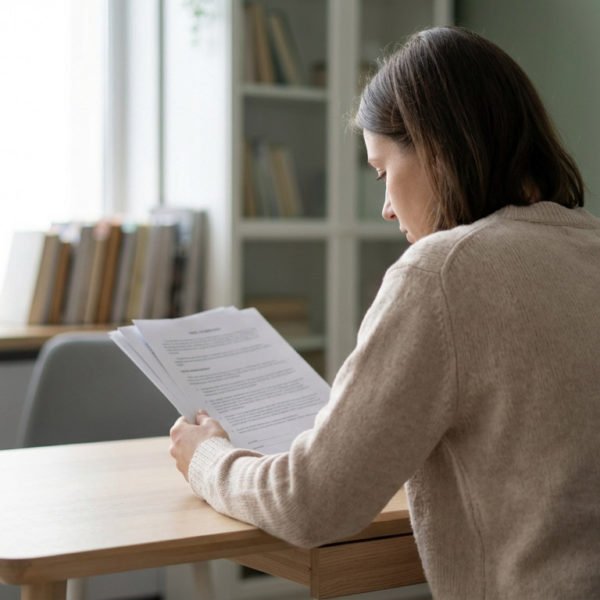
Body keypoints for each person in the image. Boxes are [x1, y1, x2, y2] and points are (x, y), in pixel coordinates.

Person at [169, 26, 600, 599]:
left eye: (382, 171)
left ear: (436, 146)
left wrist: (207, 459)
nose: (386, 208)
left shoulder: (442, 272)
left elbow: (311, 503)